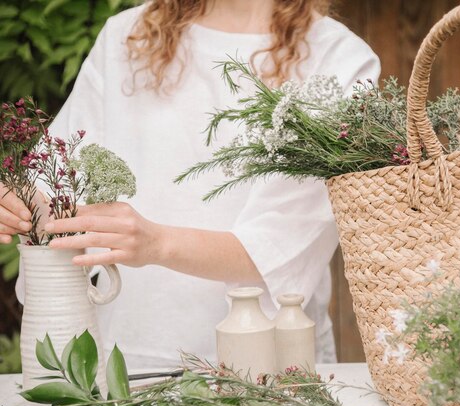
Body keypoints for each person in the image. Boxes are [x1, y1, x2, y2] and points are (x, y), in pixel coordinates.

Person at [5, 0, 380, 369]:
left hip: (265, 370)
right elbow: (55, 195)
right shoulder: (126, 37)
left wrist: (156, 243)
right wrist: (19, 205)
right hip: (120, 362)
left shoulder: (339, 59)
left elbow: (278, 251)